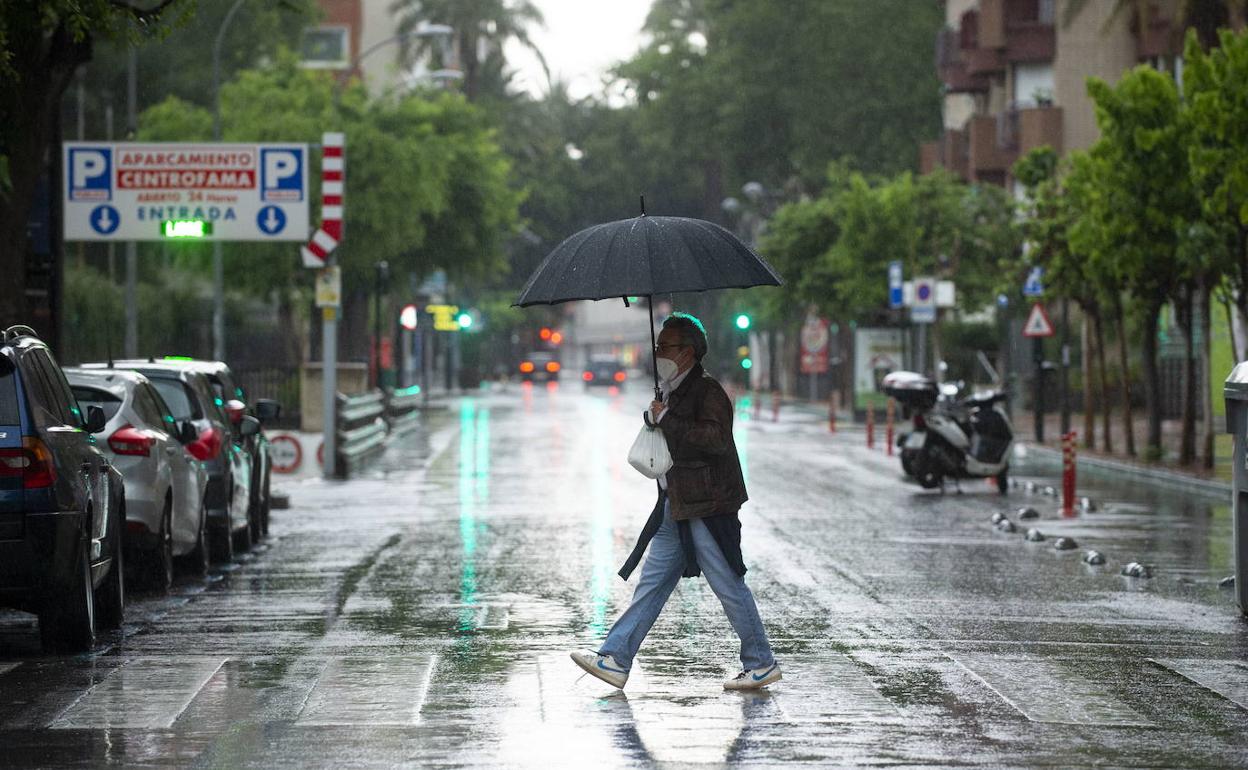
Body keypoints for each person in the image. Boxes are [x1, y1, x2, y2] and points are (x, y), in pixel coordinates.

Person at [570, 312, 781, 690]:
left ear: (687, 352)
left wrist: (667, 417)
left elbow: (715, 440)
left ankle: (761, 662)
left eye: (664, 346)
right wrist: (660, 414)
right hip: (677, 503)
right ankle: (616, 658)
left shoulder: (707, 391)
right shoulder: (673, 389)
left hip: (708, 505)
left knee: (728, 583)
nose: (657, 353)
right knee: (651, 584)